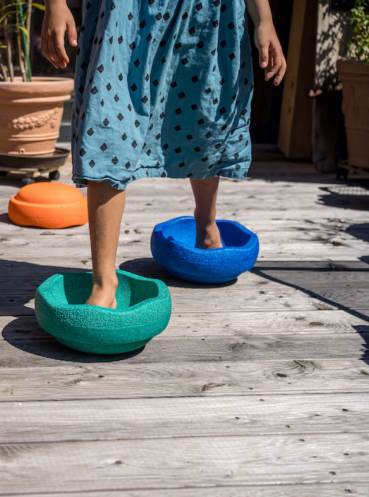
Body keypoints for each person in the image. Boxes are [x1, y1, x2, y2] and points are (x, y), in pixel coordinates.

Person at [41, 0, 286, 308]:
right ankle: (104, 280)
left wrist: (264, 18)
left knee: (204, 116)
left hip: (209, 12)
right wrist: (56, 4)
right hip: (125, 12)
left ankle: (206, 225)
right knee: (108, 127)